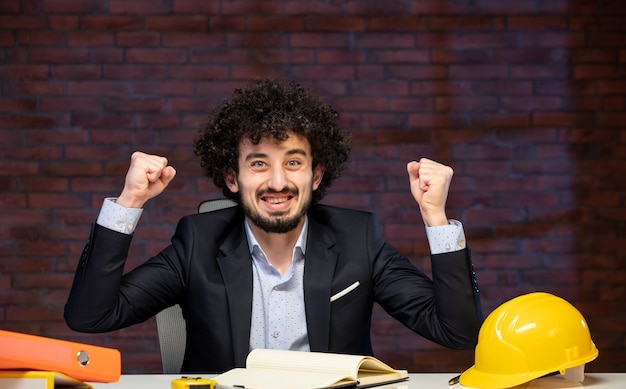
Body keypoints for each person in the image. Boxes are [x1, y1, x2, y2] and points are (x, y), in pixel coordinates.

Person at [64, 78, 482, 373]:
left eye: (294, 163)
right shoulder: (197, 242)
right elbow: (92, 316)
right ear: (233, 178)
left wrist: (435, 218)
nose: (278, 182)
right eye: (259, 163)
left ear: (315, 176)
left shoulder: (358, 240)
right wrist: (129, 202)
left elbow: (458, 332)